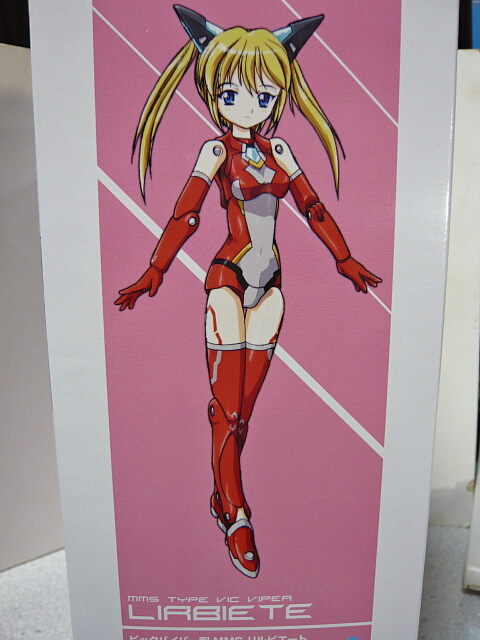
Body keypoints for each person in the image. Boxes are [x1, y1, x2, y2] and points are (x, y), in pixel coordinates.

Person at [115, 5, 381, 578]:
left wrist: (343, 258)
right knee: (226, 411)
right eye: (233, 92)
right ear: (215, 93)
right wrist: (155, 271)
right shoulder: (216, 152)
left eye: (263, 94)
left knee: (242, 416)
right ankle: (237, 515)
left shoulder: (280, 151)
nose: (249, 104)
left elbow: (312, 207)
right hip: (228, 280)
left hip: (272, 286)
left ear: (279, 94)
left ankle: (220, 496)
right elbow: (186, 216)